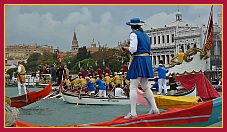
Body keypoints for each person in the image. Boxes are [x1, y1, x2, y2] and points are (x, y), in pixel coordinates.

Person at [122, 18, 159, 119]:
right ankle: (155, 108)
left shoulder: (134, 34)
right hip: (146, 60)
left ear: (131, 26)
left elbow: (133, 49)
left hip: (138, 60)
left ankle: (133, 113)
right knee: (145, 86)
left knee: (133, 86)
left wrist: (126, 49)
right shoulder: (146, 36)